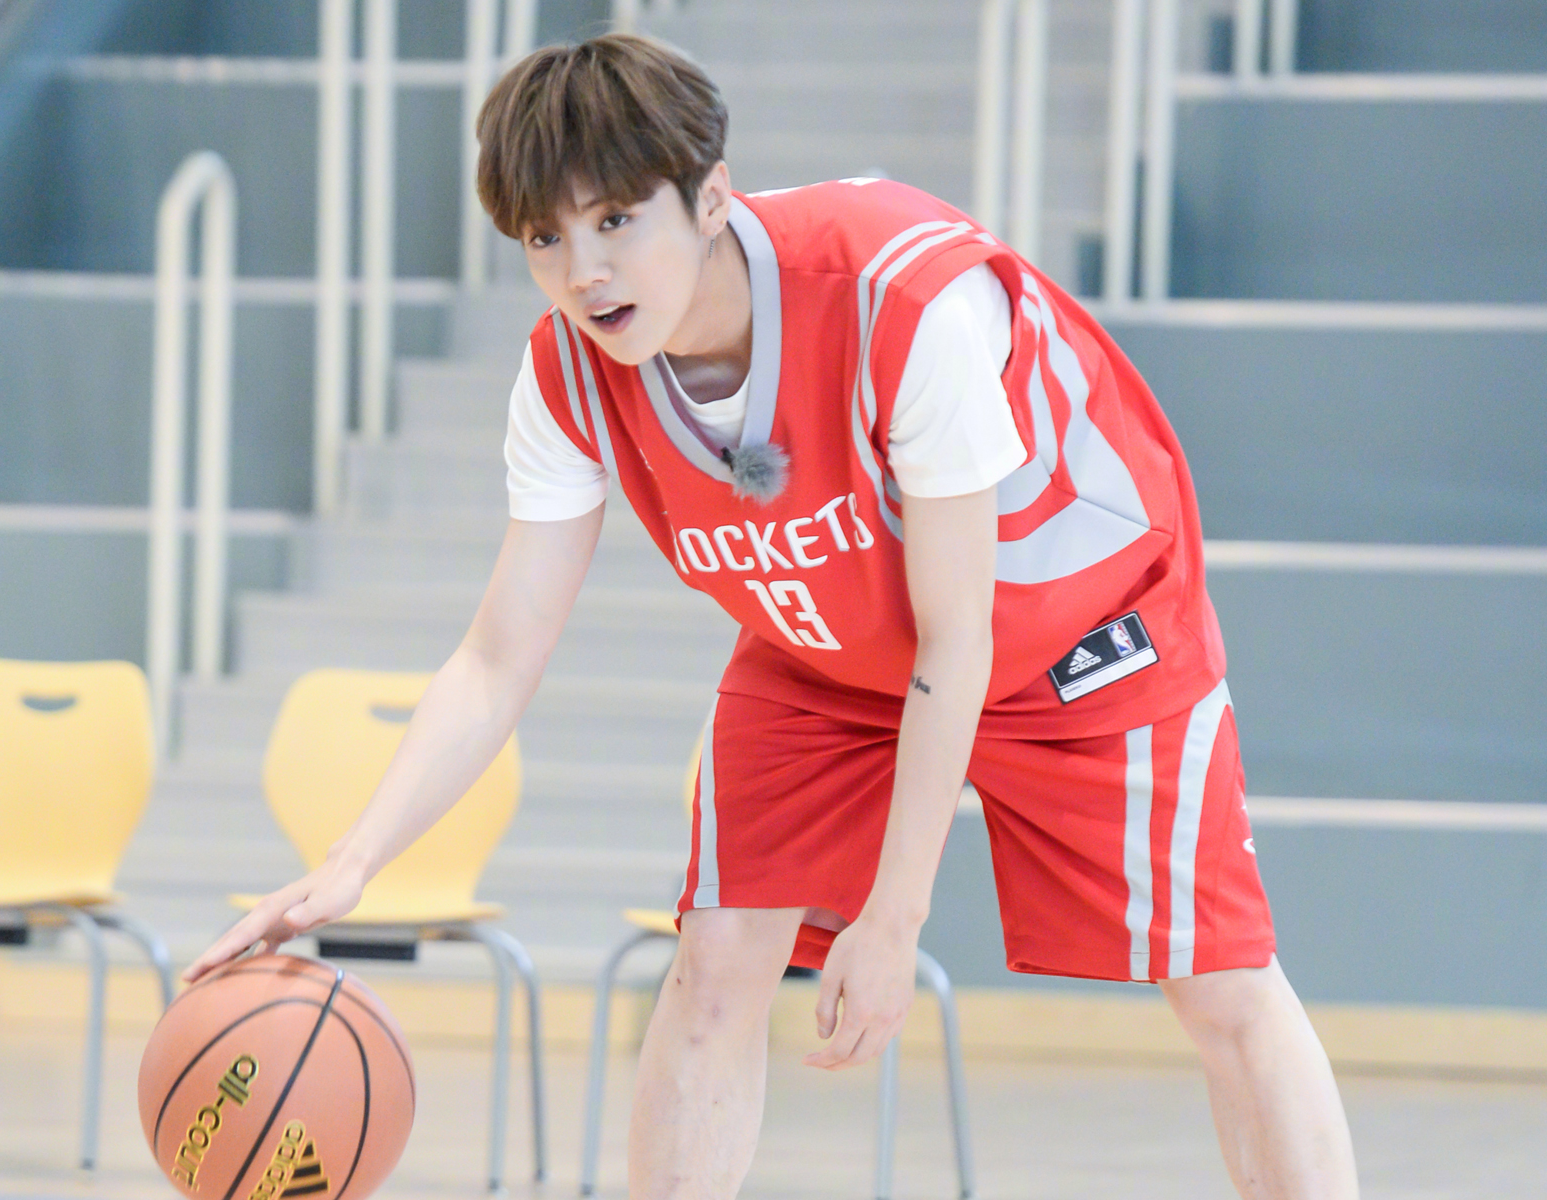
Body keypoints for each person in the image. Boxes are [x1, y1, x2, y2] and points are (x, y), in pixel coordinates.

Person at [188, 34, 1358, 1200]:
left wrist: (893, 920)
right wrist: (352, 861)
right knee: (715, 961)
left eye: (614, 221)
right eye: (544, 238)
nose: (584, 272)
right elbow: (497, 659)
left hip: (1076, 628)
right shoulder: (568, 377)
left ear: (710, 199)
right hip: (833, 655)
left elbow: (960, 637)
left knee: (1224, 989)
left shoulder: (905, 306)